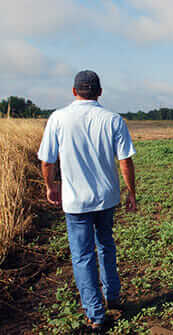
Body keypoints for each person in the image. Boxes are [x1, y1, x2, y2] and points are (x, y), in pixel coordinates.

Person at [38, 70, 137, 331]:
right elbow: (125, 160)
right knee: (106, 245)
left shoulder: (58, 118)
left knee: (82, 256)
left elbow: (47, 161)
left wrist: (50, 187)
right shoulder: (113, 120)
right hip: (107, 198)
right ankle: (113, 298)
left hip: (75, 202)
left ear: (74, 92)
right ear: (99, 92)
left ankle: (96, 316)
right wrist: (131, 192)